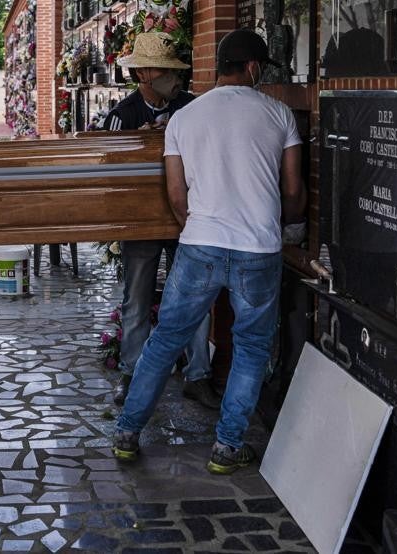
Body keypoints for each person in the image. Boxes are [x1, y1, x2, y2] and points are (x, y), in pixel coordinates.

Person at [114, 29, 306, 475]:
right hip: (259, 247)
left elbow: (177, 194)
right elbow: (294, 192)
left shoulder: (183, 119)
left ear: (219, 67)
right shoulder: (279, 115)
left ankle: (126, 433)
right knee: (252, 345)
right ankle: (227, 446)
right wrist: (282, 228)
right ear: (254, 68)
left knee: (165, 340)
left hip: (200, 243)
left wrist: (196, 228)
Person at [103, 32, 221, 410]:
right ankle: (131, 371)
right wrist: (137, 145)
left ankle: (197, 373)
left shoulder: (194, 108)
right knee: (136, 299)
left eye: (175, 71)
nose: (174, 78)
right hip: (141, 222)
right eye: (165, 71)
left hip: (188, 217)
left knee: (194, 298)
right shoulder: (123, 116)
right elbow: (110, 173)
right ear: (144, 73)